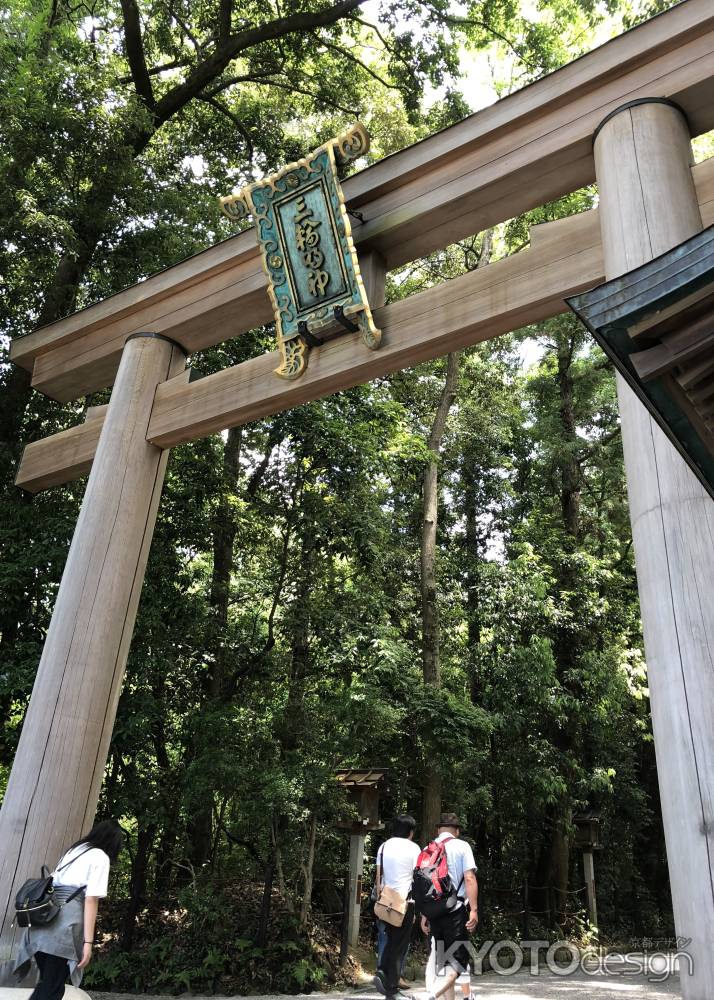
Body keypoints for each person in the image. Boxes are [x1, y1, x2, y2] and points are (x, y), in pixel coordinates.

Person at [14, 819, 123, 1000]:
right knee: (52, 989)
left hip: (41, 923)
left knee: (47, 985)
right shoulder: (100, 857)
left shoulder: (75, 851)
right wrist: (88, 943)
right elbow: (90, 900)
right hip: (64, 928)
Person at [420, 813, 478, 1000]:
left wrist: (424, 914)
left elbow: (423, 886)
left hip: (434, 912)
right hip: (455, 911)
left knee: (444, 962)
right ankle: (431, 995)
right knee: (458, 961)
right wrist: (474, 910)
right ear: (457, 831)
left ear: (438, 829)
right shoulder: (462, 846)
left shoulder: (428, 849)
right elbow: (469, 878)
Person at [372, 815, 420, 1000]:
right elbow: (418, 877)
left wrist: (380, 896)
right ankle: (391, 988)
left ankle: (382, 974)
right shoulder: (414, 848)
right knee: (399, 945)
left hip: (385, 902)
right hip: (404, 903)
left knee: (389, 940)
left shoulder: (384, 846)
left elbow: (379, 875)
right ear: (410, 832)